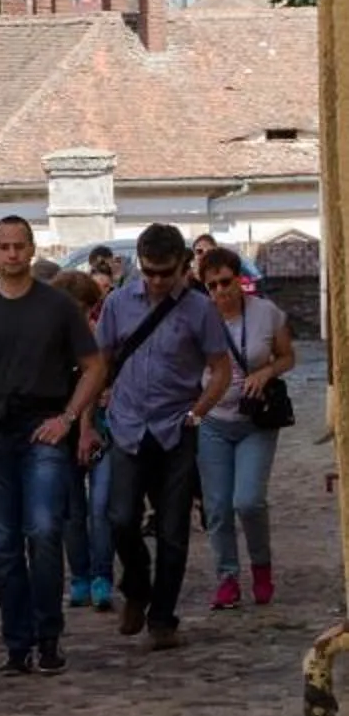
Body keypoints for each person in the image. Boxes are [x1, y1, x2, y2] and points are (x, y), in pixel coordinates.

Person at [0, 214, 104, 678]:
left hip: (42, 427)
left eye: (18, 246)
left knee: (45, 530)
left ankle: (48, 635)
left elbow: (93, 365)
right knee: (4, 542)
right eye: (3, 246)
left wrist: (69, 418)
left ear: (31, 250)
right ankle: (17, 642)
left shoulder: (57, 306)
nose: (11, 254)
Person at [89, 221, 231, 652]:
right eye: (148, 271)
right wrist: (86, 419)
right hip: (128, 424)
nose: (155, 281)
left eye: (164, 273)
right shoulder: (117, 303)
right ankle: (136, 584)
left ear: (183, 267)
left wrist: (198, 411)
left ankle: (163, 617)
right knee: (119, 519)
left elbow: (221, 369)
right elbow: (101, 360)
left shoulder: (199, 309)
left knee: (172, 529)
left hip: (176, 427)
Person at [196, 246, 295, 609]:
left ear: (240, 279)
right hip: (214, 422)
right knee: (218, 507)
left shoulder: (266, 314)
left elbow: (287, 356)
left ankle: (262, 567)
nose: (221, 291)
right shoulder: (200, 318)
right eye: (212, 285)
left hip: (255, 422)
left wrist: (266, 370)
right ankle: (227, 578)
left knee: (249, 501)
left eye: (226, 282)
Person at [57, 268, 115, 611]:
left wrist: (88, 425)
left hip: (100, 429)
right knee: (71, 511)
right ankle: (79, 575)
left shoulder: (98, 340)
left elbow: (99, 385)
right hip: (63, 432)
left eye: (85, 308)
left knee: (101, 507)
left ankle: (101, 575)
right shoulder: (49, 343)